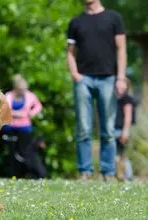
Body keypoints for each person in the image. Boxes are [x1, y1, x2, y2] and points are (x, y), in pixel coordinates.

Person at [66, 0, 127, 181]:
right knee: (84, 128)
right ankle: (85, 171)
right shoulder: (76, 22)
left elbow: (121, 48)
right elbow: (70, 52)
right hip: (83, 79)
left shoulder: (114, 18)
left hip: (108, 78)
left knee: (108, 129)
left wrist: (121, 77)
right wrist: (75, 74)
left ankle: (108, 172)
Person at [3, 74, 42, 178]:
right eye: (21, 89)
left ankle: (35, 174)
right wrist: (16, 113)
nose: (23, 92)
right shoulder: (8, 96)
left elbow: (38, 106)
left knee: (27, 152)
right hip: (10, 128)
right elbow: (4, 109)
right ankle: (14, 174)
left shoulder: (30, 96)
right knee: (12, 153)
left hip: (25, 128)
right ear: (15, 88)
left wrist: (31, 113)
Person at [115, 79, 135, 181]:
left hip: (120, 130)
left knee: (122, 155)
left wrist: (125, 131)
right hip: (114, 129)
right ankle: (120, 176)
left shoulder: (126, 99)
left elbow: (128, 117)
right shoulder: (116, 99)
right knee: (117, 155)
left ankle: (128, 175)